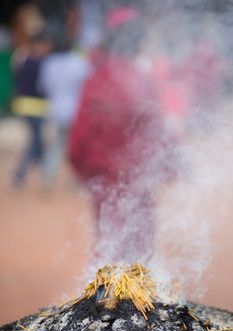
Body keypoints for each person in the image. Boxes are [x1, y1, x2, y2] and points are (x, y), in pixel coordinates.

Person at [69, 7, 174, 265]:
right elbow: (158, 131)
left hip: (105, 181)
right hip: (139, 180)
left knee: (109, 243)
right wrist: (171, 165)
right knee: (140, 247)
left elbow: (79, 137)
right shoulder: (143, 80)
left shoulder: (96, 80)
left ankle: (107, 300)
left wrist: (84, 170)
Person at [39, 33, 91, 188]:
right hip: (75, 111)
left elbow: (44, 87)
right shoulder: (79, 63)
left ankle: (47, 176)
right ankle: (76, 181)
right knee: (77, 146)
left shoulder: (49, 63)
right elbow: (87, 86)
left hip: (55, 109)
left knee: (55, 146)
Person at [11, 30, 52, 188]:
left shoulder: (21, 57)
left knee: (38, 141)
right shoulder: (38, 61)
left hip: (29, 106)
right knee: (36, 142)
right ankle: (20, 175)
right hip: (33, 106)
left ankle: (41, 174)